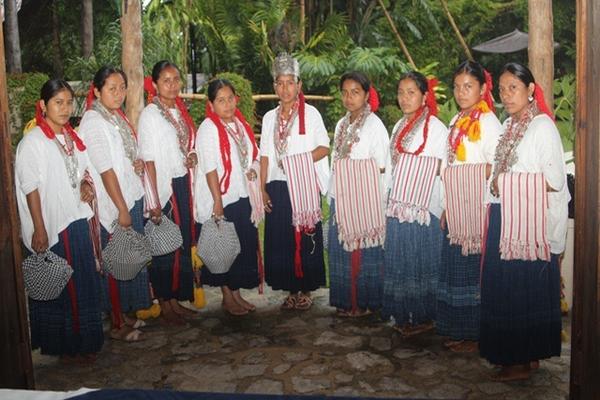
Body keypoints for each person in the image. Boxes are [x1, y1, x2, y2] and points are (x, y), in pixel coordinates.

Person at [479, 62, 568, 381]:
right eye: (502, 89)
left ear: (531, 90)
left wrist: (510, 183)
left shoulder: (542, 125)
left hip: (528, 223)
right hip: (507, 215)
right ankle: (525, 356)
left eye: (513, 87)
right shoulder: (506, 125)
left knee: (519, 288)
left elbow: (556, 180)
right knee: (508, 287)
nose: (507, 94)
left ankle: (517, 360)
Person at [15, 79, 103, 361]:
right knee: (62, 287)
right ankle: (65, 345)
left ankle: (85, 340)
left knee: (82, 282)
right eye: (58, 103)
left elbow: (83, 171)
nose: (65, 109)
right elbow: (30, 187)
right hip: (54, 223)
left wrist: (86, 185)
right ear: (43, 106)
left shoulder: (71, 138)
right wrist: (39, 228)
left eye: (68, 102)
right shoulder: (33, 142)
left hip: (75, 217)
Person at [79, 66, 151, 340]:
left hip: (128, 192)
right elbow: (105, 169)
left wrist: (134, 163)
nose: (119, 93)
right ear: (97, 91)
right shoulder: (93, 121)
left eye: (122, 87)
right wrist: (121, 208)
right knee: (113, 261)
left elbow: (120, 158)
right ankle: (117, 324)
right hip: (113, 202)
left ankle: (127, 315)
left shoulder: (114, 117)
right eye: (112, 88)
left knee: (127, 259)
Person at [436, 60, 503, 353]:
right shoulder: (456, 121)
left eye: (469, 87)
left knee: (473, 273)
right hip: (458, 210)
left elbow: (497, 165)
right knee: (455, 270)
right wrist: (447, 206)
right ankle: (459, 329)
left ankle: (475, 335)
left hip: (477, 211)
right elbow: (448, 164)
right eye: (457, 87)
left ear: (483, 88)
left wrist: (465, 180)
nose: (462, 93)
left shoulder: (488, 123)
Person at [259, 53, 330, 310]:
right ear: (274, 86)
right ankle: (290, 288)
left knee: (305, 236)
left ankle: (307, 289)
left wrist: (297, 161)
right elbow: (264, 155)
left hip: (303, 185)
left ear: (299, 85)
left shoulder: (310, 115)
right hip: (277, 185)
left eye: (290, 83)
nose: (285, 88)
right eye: (280, 83)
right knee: (281, 238)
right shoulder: (269, 118)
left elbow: (324, 147)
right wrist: (262, 189)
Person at [382, 71, 447, 335]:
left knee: (421, 260)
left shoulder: (437, 128)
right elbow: (390, 166)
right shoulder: (398, 127)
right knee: (401, 260)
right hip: (399, 205)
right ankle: (404, 312)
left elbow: (444, 167)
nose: (405, 98)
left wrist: (444, 206)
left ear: (424, 96)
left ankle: (423, 316)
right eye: (401, 92)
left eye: (411, 92)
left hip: (424, 208)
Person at [195, 79, 261, 316]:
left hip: (242, 193)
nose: (227, 104)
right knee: (225, 248)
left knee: (240, 246)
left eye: (230, 98)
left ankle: (236, 294)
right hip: (222, 197)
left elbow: (254, 153)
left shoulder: (239, 124)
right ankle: (226, 296)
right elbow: (210, 168)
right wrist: (217, 201)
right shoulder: (208, 129)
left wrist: (253, 167)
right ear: (211, 105)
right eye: (221, 100)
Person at [138, 60, 197, 325]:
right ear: (154, 84)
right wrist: (153, 199)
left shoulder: (178, 111)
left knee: (181, 242)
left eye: (176, 79)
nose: (172, 85)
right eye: (166, 80)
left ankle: (176, 299)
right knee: (165, 246)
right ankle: (165, 302)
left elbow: (183, 147)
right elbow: (149, 158)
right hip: (164, 187)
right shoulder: (150, 114)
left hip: (181, 181)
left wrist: (190, 158)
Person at [328, 71, 390, 317]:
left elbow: (382, 165)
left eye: (355, 92)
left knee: (363, 251)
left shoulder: (375, 126)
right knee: (343, 250)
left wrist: (352, 174)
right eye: (344, 92)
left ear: (366, 94)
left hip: (364, 199)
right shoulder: (342, 124)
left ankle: (365, 302)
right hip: (342, 197)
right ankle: (347, 301)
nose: (349, 97)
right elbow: (336, 160)